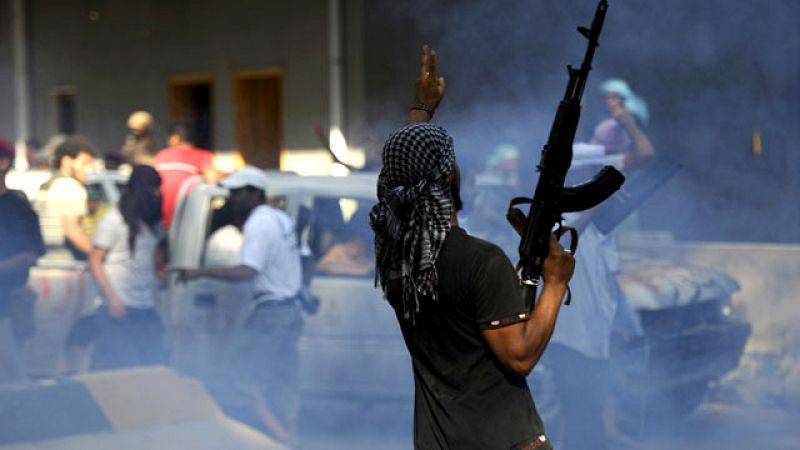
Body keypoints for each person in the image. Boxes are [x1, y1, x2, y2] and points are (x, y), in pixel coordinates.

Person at [369, 46, 575, 450]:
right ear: (446, 175)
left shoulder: (396, 260)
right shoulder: (480, 261)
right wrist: (554, 283)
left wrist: (421, 109)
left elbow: (401, 171)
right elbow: (519, 357)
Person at [177, 166, 304, 444]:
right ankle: (290, 434)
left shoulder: (259, 222)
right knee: (284, 380)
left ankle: (280, 437)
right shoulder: (280, 218)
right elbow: (305, 258)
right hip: (290, 310)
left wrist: (199, 272)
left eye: (236, 193)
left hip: (271, 313)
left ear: (253, 194)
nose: (231, 200)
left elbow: (247, 270)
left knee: (241, 374)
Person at [88, 165, 167, 370]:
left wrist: (160, 275)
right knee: (116, 365)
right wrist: (112, 299)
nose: (158, 194)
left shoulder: (153, 223)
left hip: (145, 303)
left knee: (153, 362)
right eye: (154, 189)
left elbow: (154, 255)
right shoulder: (114, 219)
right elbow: (95, 261)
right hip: (119, 304)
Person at [0, 139, 46, 383]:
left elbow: (32, 252)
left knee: (12, 370)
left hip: (8, 301)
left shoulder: (17, 208)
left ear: (3, 163)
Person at [33, 136, 96, 261]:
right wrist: (98, 257)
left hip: (43, 260)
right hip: (65, 262)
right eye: (85, 163)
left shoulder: (49, 185)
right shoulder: (71, 187)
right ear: (67, 161)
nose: (89, 170)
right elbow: (71, 230)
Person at [153, 122, 218, 228]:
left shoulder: (161, 155)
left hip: (158, 221)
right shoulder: (203, 156)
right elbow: (212, 179)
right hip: (187, 224)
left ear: (175, 138)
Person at [590, 79, 655, 169]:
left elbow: (646, 153)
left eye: (614, 97)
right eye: (606, 98)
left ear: (623, 99)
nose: (609, 102)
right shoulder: (605, 124)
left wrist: (628, 122)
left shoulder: (628, 120)